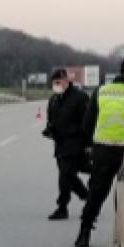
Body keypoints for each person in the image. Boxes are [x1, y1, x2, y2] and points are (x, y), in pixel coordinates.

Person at [75, 54, 124, 247]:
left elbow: (87, 124)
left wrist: (90, 145)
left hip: (102, 151)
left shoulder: (101, 91)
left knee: (96, 193)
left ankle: (84, 234)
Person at [43, 69, 90, 220]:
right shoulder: (54, 99)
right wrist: (49, 129)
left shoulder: (80, 98)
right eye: (54, 83)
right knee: (68, 174)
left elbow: (87, 122)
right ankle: (86, 195)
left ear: (66, 80)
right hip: (60, 143)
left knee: (65, 175)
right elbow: (51, 119)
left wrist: (88, 144)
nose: (56, 85)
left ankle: (62, 207)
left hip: (75, 142)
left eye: (58, 82)